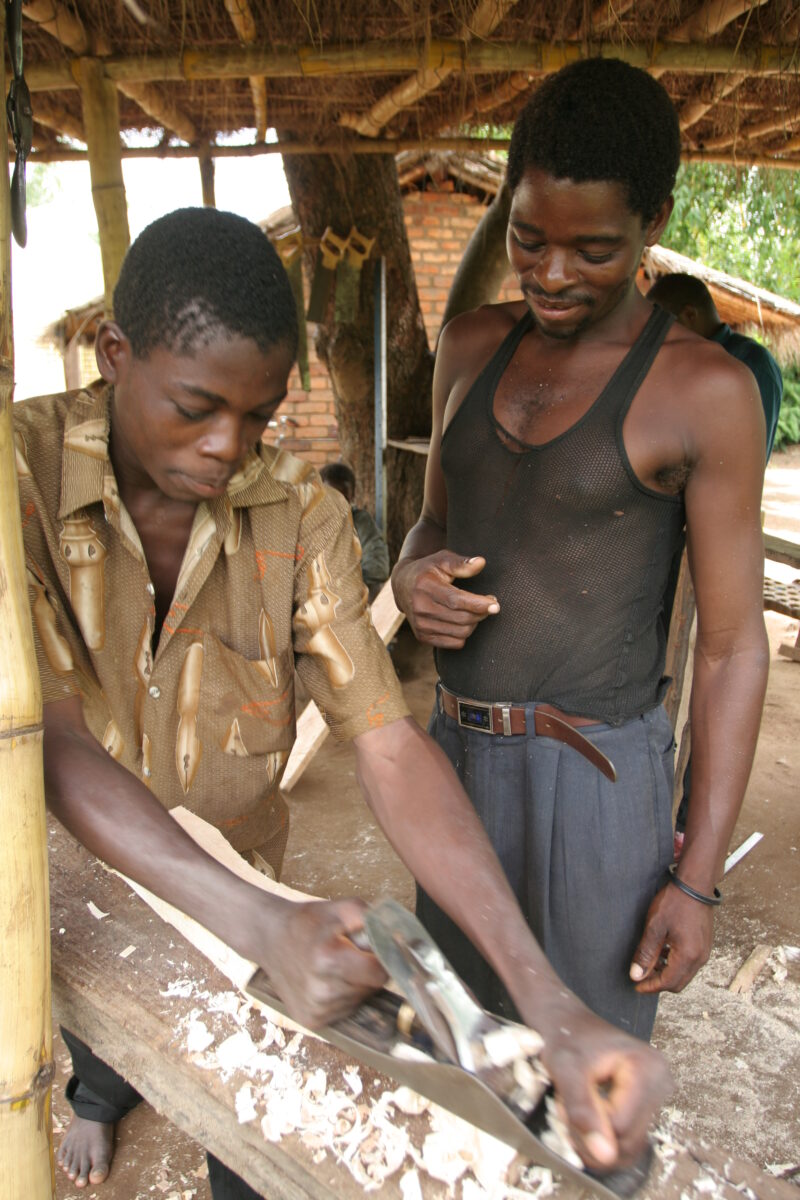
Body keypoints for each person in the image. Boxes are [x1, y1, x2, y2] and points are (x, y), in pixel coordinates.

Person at [14, 207, 669, 1196]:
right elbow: (57, 747)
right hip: (55, 882)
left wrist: (548, 1002)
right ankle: (98, 1107)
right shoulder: (16, 477)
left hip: (233, 876)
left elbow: (390, 745)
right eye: (195, 407)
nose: (226, 447)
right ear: (114, 353)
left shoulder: (297, 512)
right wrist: (261, 922)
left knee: (247, 1114)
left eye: (259, 415)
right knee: (89, 1039)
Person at [392, 59, 768, 1048]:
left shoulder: (702, 393)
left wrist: (694, 878)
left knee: (585, 1066)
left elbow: (731, 647)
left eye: (592, 248)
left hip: (599, 778)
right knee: (459, 1051)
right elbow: (431, 525)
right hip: (455, 757)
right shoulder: (470, 345)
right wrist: (405, 577)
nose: (551, 274)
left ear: (652, 221)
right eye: (527, 238)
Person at [647, 271, 782, 853]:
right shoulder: (697, 361)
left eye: (662, 325)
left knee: (717, 671)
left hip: (717, 535)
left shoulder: (738, 370)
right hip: (682, 533)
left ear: (691, 319)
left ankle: (684, 823)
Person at [647, 272, 782, 457]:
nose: (656, 338)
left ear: (689, 315)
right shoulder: (683, 362)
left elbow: (746, 460)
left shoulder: (752, 362)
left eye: (660, 327)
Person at [319, 460, 390, 600]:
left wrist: (341, 582)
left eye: (344, 498)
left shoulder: (359, 522)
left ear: (352, 497)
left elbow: (378, 567)